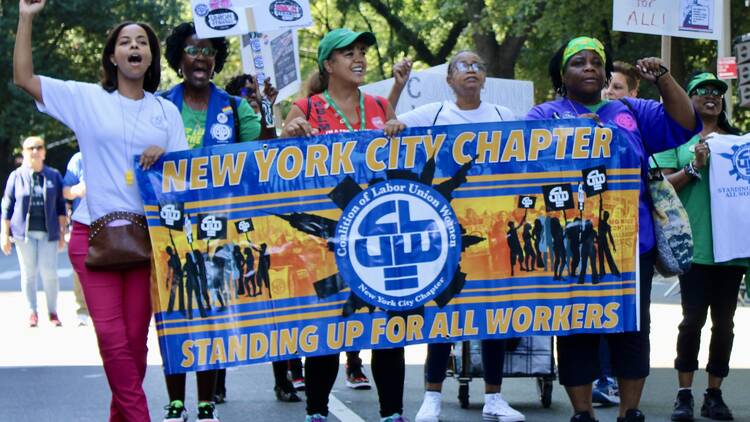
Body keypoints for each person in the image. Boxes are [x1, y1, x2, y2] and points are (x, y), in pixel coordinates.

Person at [13, 1, 189, 420]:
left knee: (132, 347)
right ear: (113, 55)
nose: (134, 47)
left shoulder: (166, 111)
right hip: (94, 239)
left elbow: (184, 180)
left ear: (150, 57)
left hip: (146, 243)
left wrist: (164, 155)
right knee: (112, 341)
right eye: (125, 41)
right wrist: (25, 17)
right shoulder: (87, 99)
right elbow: (24, 78)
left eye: (142, 42)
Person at [526, 36, 700, 422]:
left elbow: (686, 122)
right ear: (562, 73)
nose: (589, 67)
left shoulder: (630, 110)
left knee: (632, 330)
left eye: (595, 62)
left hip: (631, 243)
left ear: (605, 72)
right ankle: (583, 413)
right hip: (570, 245)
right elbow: (522, 169)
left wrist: (664, 80)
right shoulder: (543, 117)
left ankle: (629, 412)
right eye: (578, 62)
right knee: (575, 328)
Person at [384, 50, 524, 422]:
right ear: (449, 79)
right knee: (445, 313)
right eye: (463, 65)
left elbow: (531, 154)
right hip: (445, 232)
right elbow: (387, 121)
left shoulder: (503, 116)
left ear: (485, 77)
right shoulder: (432, 113)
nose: (472, 70)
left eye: (478, 64)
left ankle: (494, 397)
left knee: (493, 315)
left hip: (492, 232)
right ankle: (432, 398)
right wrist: (397, 90)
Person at [282, 28, 406, 422]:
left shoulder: (379, 106)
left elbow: (401, 160)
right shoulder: (306, 108)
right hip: (328, 239)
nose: (359, 59)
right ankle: (316, 412)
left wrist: (397, 129)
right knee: (330, 326)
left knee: (389, 326)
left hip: (377, 234)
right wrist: (291, 134)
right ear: (328, 64)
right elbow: (280, 162)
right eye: (348, 53)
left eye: (362, 52)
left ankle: (392, 413)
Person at [159, 21, 262, 422]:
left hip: (220, 227)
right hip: (167, 226)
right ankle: (174, 403)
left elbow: (262, 155)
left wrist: (266, 111)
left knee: (210, 311)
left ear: (216, 60)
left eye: (207, 50)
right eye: (191, 49)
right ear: (178, 59)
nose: (200, 57)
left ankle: (205, 404)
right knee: (173, 314)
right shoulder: (159, 104)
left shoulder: (236, 108)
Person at [652, 71, 749, 422]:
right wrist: (694, 166)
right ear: (688, 97)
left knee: (725, 324)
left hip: (732, 249)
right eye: (702, 91)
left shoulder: (740, 144)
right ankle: (683, 395)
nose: (712, 96)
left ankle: (714, 393)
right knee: (691, 320)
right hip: (691, 246)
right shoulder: (674, 140)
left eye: (717, 92)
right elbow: (659, 189)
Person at [2, 135, 66, 327]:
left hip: (49, 233)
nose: (35, 151)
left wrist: (63, 234)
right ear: (24, 152)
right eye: (30, 148)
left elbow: (61, 207)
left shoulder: (53, 175)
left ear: (44, 152)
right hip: (24, 234)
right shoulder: (16, 176)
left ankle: (53, 312)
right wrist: (4, 234)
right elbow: (7, 207)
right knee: (28, 274)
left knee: (49, 273)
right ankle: (32, 312)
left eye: (38, 147)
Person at [62, 151, 91, 326]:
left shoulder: (116, 150)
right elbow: (65, 191)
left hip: (113, 222)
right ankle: (83, 310)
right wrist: (76, 190)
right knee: (80, 268)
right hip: (82, 223)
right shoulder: (79, 158)